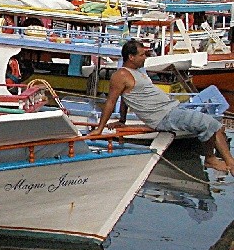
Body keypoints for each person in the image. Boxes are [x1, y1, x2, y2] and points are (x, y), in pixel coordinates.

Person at [91, 39, 234, 172]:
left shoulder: (137, 72)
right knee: (208, 123)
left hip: (172, 108)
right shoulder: (120, 75)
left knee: (216, 125)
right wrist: (100, 129)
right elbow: (111, 101)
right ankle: (213, 160)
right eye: (142, 55)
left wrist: (122, 120)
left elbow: (124, 98)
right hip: (164, 116)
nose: (145, 57)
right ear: (131, 57)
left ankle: (226, 162)